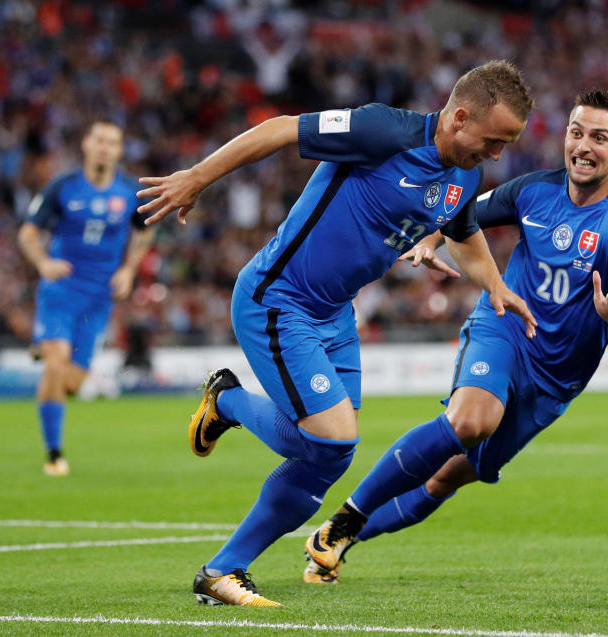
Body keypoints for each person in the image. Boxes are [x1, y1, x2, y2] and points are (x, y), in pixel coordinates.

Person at [137, 60, 537, 607]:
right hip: (278, 300)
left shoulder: (465, 173)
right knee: (332, 436)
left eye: (506, 145)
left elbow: (463, 230)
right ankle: (228, 402)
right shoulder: (383, 131)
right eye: (493, 141)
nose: (496, 156)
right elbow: (280, 128)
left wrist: (494, 284)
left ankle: (222, 572)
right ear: (460, 117)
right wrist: (197, 177)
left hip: (334, 315)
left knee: (331, 455)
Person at [302, 88, 608, 584]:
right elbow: (456, 211)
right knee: (470, 420)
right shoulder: (532, 190)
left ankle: (338, 542)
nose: (584, 146)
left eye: (600, 138)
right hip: (507, 327)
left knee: (447, 477)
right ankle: (347, 517)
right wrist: (428, 238)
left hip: (555, 381)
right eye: (577, 133)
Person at [18, 121, 153, 477]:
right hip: (61, 290)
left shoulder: (128, 192)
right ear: (86, 144)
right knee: (55, 363)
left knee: (74, 383)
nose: (105, 148)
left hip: (99, 298)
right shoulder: (62, 187)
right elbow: (28, 233)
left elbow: (143, 235)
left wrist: (128, 271)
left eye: (113, 142)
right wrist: (43, 262)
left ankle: (42, 346)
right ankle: (54, 454)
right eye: (99, 140)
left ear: (120, 150)